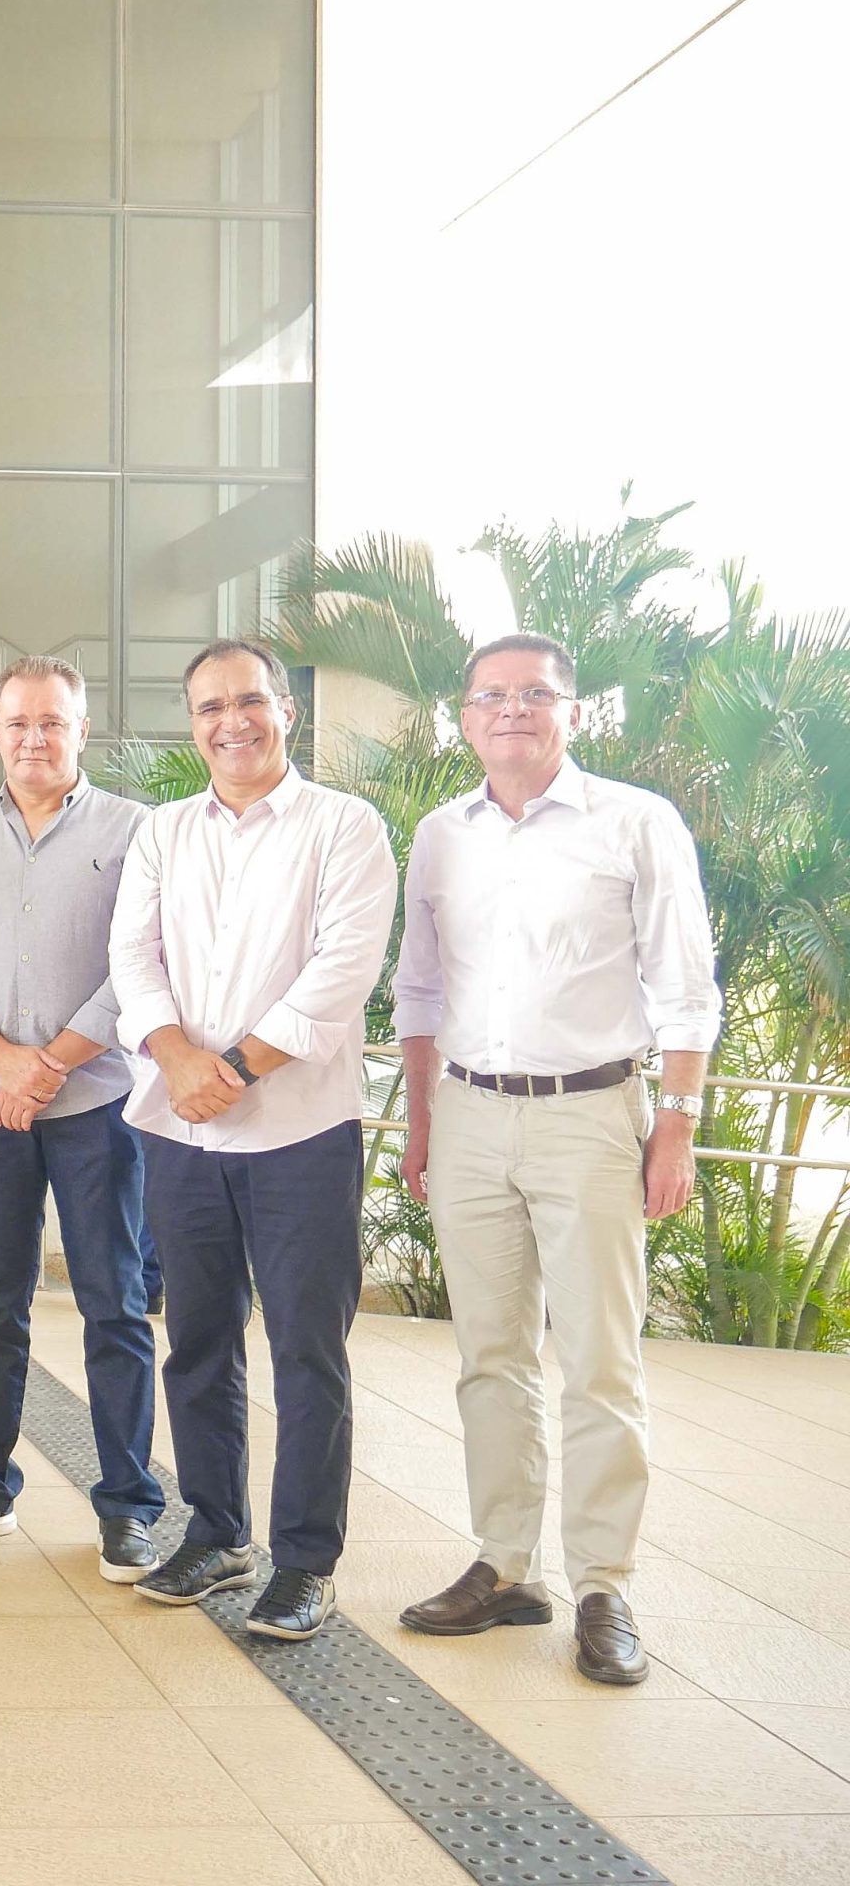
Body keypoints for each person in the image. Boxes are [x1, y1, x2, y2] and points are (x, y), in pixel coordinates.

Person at [392, 634, 719, 1685]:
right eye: (490, 695)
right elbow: (419, 989)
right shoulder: (440, 835)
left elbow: (685, 987)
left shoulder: (635, 822)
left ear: (573, 712)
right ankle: (504, 1565)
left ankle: (603, 1586)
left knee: (599, 1361)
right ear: (464, 716)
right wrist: (421, 1120)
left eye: (534, 693)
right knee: (489, 1355)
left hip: (592, 1117)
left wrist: (675, 1126)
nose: (512, 710)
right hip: (468, 1113)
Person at [106, 638, 397, 1641]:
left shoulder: (344, 827)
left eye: (248, 702)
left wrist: (228, 1070)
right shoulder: (163, 832)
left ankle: (304, 1562)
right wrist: (177, 1059)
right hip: (179, 1133)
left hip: (300, 1131)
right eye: (208, 708)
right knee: (195, 1341)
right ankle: (217, 1534)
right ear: (192, 724)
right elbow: (131, 956)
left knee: (306, 1349)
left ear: (285, 711)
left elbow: (342, 971)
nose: (230, 723)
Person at [0, 657, 164, 1579]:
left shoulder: (134, 832)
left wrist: (49, 1063)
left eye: (52, 722)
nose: (34, 739)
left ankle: (129, 1504)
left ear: (82, 730)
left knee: (113, 1300)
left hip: (98, 1102)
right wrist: (4, 1059)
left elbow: (141, 963)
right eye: (17, 723)